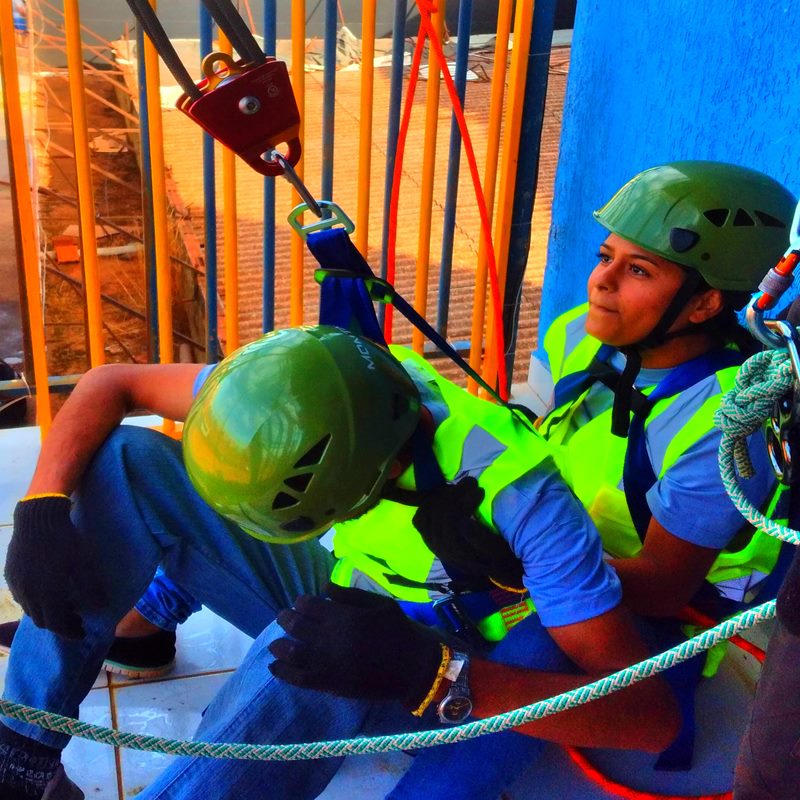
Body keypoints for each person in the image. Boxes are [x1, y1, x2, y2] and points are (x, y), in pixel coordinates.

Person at [0, 324, 679, 800]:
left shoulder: (523, 503)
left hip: (446, 672)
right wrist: (42, 506)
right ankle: (22, 759)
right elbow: (113, 383)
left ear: (363, 484)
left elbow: (648, 717)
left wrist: (434, 674)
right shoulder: (316, 391)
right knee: (125, 460)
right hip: (362, 586)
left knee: (307, 646)